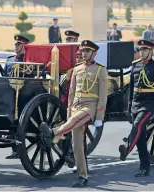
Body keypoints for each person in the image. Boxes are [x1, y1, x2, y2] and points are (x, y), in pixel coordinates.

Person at [39, 40, 108, 187]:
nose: (84, 53)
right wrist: (69, 110)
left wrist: (99, 117)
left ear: (94, 53)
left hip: (90, 106)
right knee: (77, 145)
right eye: (82, 51)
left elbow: (103, 96)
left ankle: (52, 133)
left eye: (87, 51)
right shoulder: (77, 69)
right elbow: (71, 94)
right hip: (76, 105)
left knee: (72, 122)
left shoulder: (101, 69)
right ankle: (82, 176)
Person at [118, 40, 154, 177]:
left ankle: (127, 148)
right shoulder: (135, 65)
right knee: (140, 136)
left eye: (145, 50)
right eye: (140, 49)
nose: (142, 52)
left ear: (150, 51)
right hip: (136, 103)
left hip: (149, 103)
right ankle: (144, 167)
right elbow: (132, 88)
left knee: (138, 125)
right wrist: (129, 106)